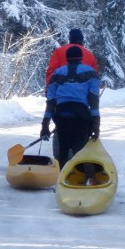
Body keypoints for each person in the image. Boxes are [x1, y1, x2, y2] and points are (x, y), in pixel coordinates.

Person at [40, 46, 101, 183]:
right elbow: (93, 100)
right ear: (81, 57)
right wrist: (95, 125)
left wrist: (45, 126)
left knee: (63, 150)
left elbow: (50, 102)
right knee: (82, 150)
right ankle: (89, 178)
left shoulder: (57, 74)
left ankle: (63, 179)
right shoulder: (91, 73)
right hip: (81, 117)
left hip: (62, 117)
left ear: (67, 58)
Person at [44, 28, 99, 161]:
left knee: (61, 133)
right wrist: (95, 122)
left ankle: (61, 162)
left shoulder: (59, 52)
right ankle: (79, 163)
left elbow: (51, 72)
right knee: (81, 137)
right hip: (82, 106)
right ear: (81, 40)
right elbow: (94, 85)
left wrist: (51, 92)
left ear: (70, 39)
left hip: (61, 102)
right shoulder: (89, 55)